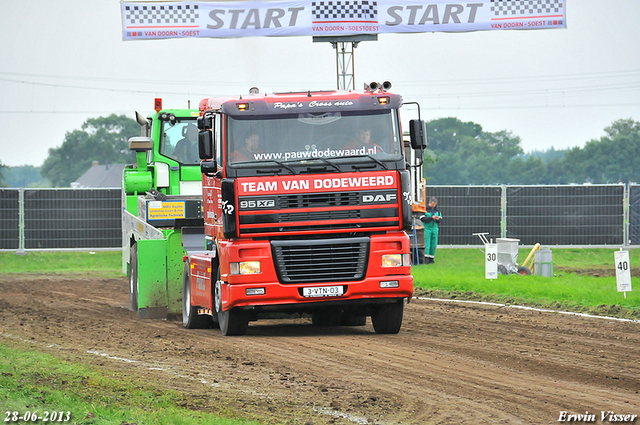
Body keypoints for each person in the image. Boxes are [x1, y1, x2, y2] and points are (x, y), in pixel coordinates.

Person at [420, 197, 443, 264]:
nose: (433, 206)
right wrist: (431, 218)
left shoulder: (437, 210)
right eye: (432, 204)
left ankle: (431, 258)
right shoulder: (424, 209)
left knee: (434, 244)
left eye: (434, 204)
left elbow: (441, 219)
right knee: (427, 244)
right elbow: (422, 218)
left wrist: (437, 219)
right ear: (429, 202)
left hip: (435, 228)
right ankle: (426, 259)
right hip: (427, 228)